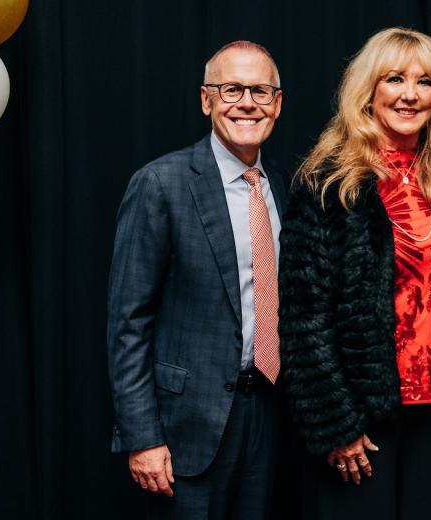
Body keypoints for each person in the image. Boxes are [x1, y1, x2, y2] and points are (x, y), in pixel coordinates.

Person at [277, 27, 431, 520]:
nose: (410, 94)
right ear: (367, 92)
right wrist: (335, 424)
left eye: (424, 82)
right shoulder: (329, 183)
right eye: (394, 79)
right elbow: (304, 319)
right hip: (362, 417)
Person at [107, 40, 289, 518]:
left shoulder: (287, 189)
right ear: (206, 100)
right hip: (185, 429)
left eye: (260, 91)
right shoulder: (161, 184)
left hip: (269, 419)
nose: (246, 102)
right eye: (232, 89)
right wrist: (143, 437)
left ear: (277, 104)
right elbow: (128, 324)